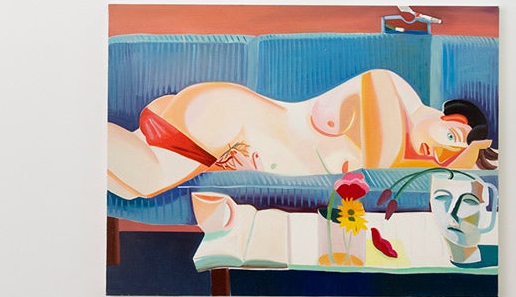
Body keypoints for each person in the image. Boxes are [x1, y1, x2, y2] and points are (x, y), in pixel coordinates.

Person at [108, 68, 496, 200]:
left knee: (125, 187)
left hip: (225, 141)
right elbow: (385, 162)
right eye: (450, 140)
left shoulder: (406, 143)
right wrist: (465, 159)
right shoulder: (388, 88)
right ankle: (74, 129)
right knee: (149, 178)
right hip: (230, 118)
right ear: (452, 118)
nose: (435, 154)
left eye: (443, 158)